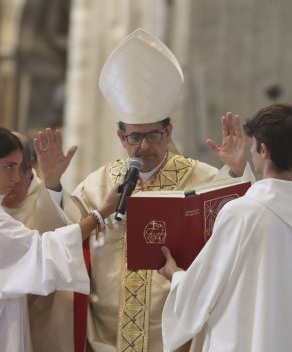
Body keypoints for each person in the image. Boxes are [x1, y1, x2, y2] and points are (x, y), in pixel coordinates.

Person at [35, 28, 254, 351]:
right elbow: (61, 241)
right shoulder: (99, 184)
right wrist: (52, 185)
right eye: (135, 137)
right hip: (105, 335)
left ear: (169, 131)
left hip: (173, 335)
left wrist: (237, 171)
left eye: (153, 135)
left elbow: (242, 228)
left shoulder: (204, 179)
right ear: (121, 137)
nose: (144, 146)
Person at [158, 103, 292, 352]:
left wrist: (175, 275)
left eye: (253, 146)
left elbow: (200, 292)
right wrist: (241, 171)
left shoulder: (241, 213)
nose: (251, 151)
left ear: (263, 149)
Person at [0, 125, 119, 351]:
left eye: (18, 168)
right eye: (8, 167)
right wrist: (101, 214)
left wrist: (52, 182)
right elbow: (43, 252)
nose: (14, 178)